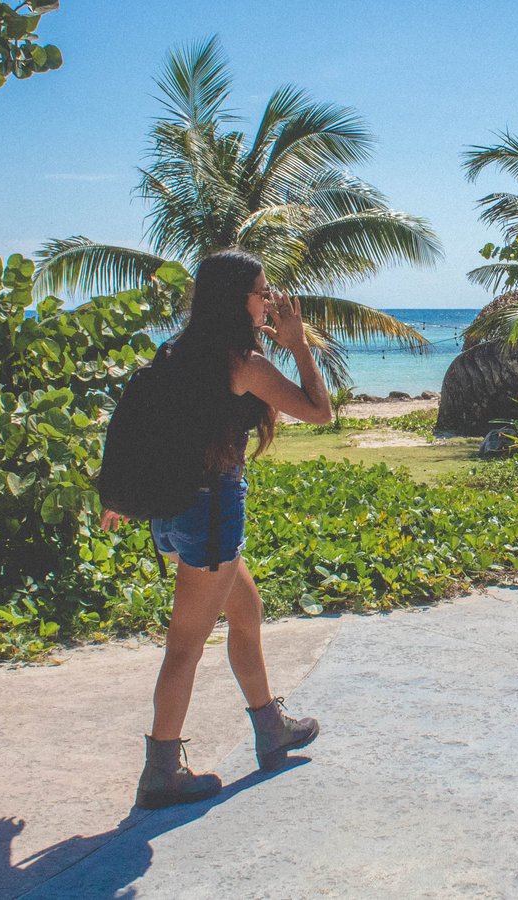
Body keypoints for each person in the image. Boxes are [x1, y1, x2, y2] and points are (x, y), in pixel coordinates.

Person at [99, 249, 333, 810]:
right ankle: (161, 772)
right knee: (184, 646)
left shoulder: (176, 352)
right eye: (262, 292)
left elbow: (157, 431)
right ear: (237, 300)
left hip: (175, 513)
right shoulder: (242, 363)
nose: (269, 301)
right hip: (209, 516)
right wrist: (298, 343)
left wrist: (124, 495)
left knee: (246, 612)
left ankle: (271, 728)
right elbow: (320, 412)